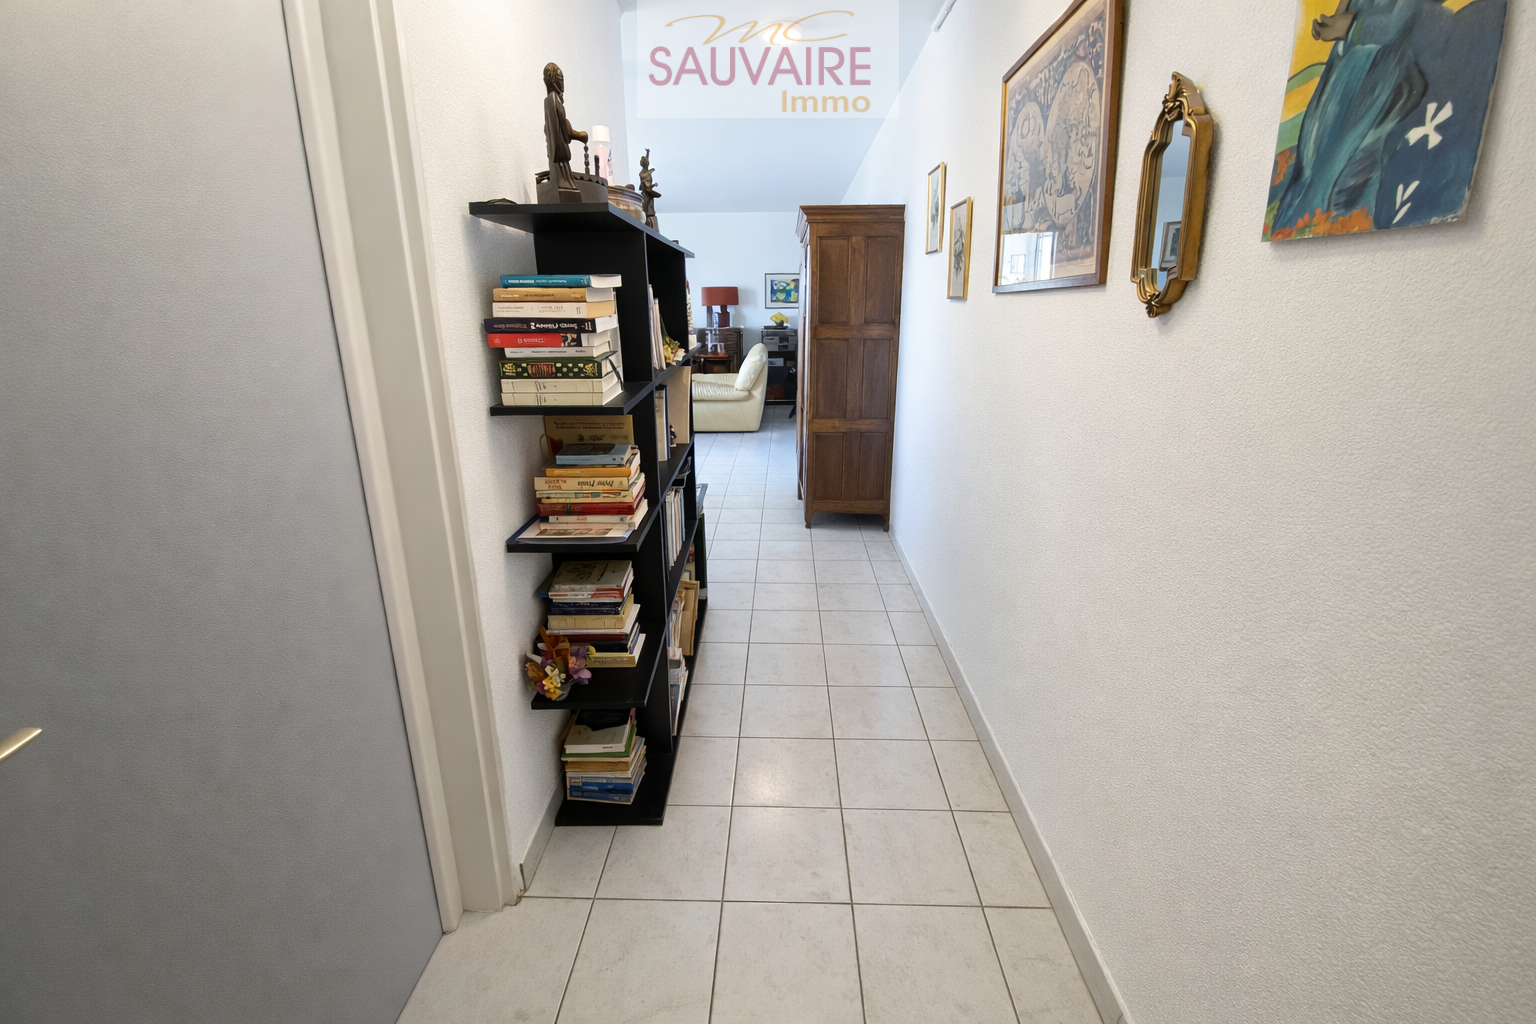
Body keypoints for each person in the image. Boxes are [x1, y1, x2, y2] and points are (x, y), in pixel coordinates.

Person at [1273, 0, 1449, 235]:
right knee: (1310, 165)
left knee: (1344, 178)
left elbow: (1404, 19)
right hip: (1345, 80)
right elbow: (1341, 28)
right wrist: (1341, 21)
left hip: (1381, 81)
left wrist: (1352, 26)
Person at [543, 63, 587, 197]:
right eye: (560, 79)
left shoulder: (552, 100)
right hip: (559, 155)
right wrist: (574, 134)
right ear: (552, 80)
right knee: (565, 183)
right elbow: (561, 129)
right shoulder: (553, 99)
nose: (562, 83)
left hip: (560, 155)